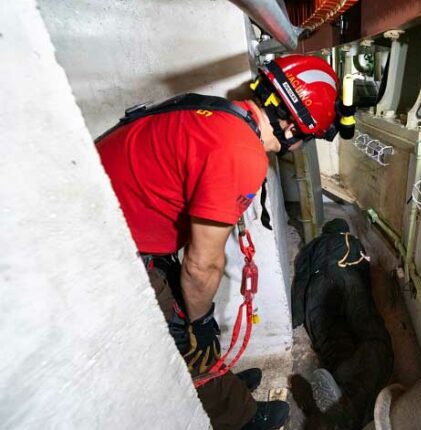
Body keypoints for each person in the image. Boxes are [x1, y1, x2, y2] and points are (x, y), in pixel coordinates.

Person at [96, 55, 339, 430]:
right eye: (307, 138)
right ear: (292, 127)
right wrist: (199, 320)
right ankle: (239, 418)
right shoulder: (241, 153)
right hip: (110, 248)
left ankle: (220, 383)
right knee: (184, 335)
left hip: (121, 224)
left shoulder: (222, 115)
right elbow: (201, 265)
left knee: (188, 310)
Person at [291, 219, 394, 428]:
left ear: (326, 231)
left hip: (319, 283)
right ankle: (355, 404)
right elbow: (365, 276)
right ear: (344, 231)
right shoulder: (355, 243)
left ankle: (344, 400)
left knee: (332, 343)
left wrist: (297, 316)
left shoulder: (314, 245)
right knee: (373, 336)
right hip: (351, 281)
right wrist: (362, 309)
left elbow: (301, 279)